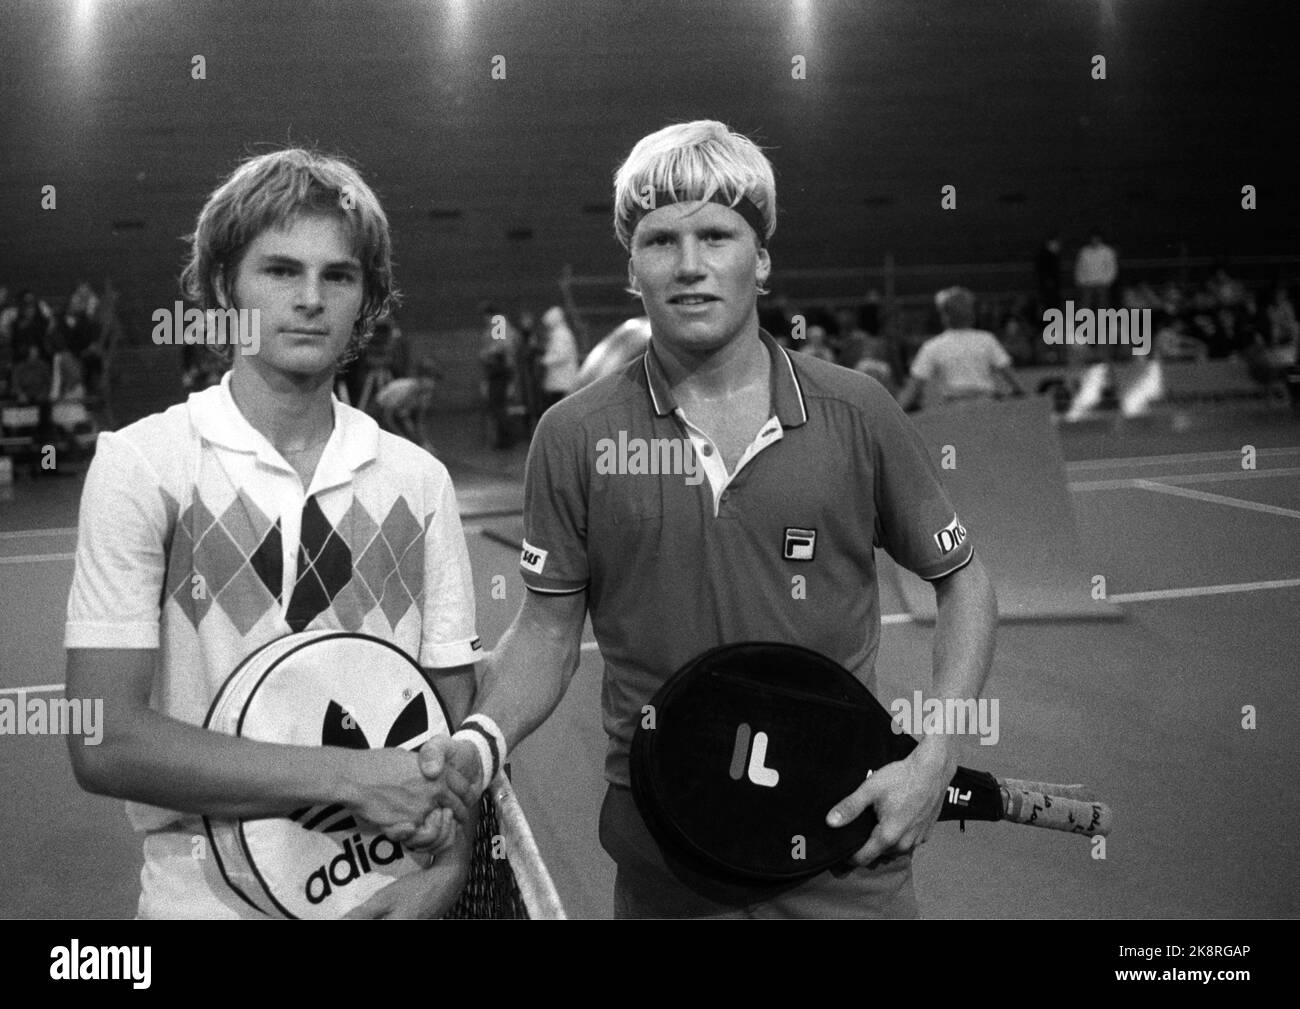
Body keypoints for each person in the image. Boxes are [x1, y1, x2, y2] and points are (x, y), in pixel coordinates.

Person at [419, 119, 999, 919]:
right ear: (632, 268)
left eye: (717, 235)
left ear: (760, 258)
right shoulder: (575, 434)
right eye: (661, 241)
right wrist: (481, 735)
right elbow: (549, 630)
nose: (689, 265)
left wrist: (938, 750)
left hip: (842, 841)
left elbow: (961, 578)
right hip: (667, 850)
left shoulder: (857, 410)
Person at [63, 148, 482, 919]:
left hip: (390, 895)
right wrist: (349, 778)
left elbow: (451, 734)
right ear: (225, 287)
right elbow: (103, 739)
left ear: (368, 298)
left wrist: (447, 870)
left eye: (340, 275)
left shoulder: (419, 481)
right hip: (203, 902)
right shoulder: (145, 465)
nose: (311, 299)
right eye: (280, 270)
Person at [896, 287, 1024, 410]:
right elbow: (1015, 381)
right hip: (987, 405)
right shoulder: (987, 340)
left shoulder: (933, 346)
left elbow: (913, 389)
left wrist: (893, 412)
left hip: (954, 409)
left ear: (945, 316)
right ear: (972, 314)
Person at [536, 305, 580, 410]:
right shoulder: (561, 333)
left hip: (561, 382)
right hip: (560, 381)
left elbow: (561, 355)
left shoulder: (561, 334)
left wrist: (543, 361)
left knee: (557, 409)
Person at [1073, 230, 1118, 314]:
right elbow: (1079, 267)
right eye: (1093, 238)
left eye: (1096, 238)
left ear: (1100, 239)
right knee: (1084, 307)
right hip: (1087, 284)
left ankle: (1101, 325)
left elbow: (1112, 268)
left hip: (1102, 284)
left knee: (1102, 307)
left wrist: (1107, 281)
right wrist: (1080, 281)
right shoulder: (1084, 251)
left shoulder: (1107, 251)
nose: (1094, 240)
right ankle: (1085, 325)